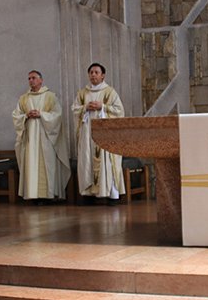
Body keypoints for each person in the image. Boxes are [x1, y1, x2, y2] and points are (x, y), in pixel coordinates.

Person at [12, 70, 71, 204]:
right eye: (29, 78)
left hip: (46, 138)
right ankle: (33, 195)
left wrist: (41, 115)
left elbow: (58, 115)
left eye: (33, 78)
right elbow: (16, 116)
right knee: (31, 164)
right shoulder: (24, 98)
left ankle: (49, 195)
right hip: (30, 139)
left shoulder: (50, 96)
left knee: (48, 165)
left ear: (41, 80)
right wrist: (26, 116)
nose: (31, 81)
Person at [72, 62, 124, 203]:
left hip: (106, 134)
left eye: (96, 72)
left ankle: (110, 194)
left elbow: (120, 111)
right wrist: (85, 108)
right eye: (91, 72)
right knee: (87, 161)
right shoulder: (82, 93)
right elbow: (75, 110)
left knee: (106, 162)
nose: (93, 75)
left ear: (103, 76)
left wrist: (103, 107)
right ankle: (88, 195)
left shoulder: (110, 92)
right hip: (87, 134)